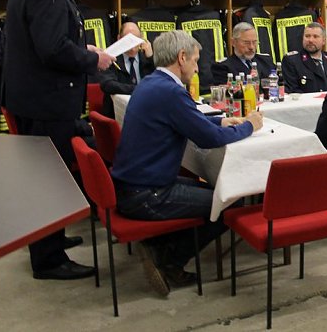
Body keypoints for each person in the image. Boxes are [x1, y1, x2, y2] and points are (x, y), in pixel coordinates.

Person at [111, 31, 263, 296]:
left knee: (215, 188)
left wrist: (221, 121)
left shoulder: (152, 83)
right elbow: (209, 139)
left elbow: (189, 121)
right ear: (181, 58)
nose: (196, 70)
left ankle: (159, 244)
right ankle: (170, 261)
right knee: (227, 200)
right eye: (194, 62)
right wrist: (249, 126)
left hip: (134, 185)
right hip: (148, 193)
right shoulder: (171, 92)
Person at [2, 0, 116, 281]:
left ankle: (51, 240)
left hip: (36, 101)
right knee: (50, 180)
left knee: (49, 178)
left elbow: (50, 43)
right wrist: (91, 59)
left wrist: (87, 52)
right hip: (46, 104)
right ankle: (48, 260)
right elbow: (52, 49)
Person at [97, 22, 155, 117]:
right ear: (119, 38)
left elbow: (161, 83)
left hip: (146, 112)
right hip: (118, 114)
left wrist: (151, 58)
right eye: (128, 39)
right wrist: (138, 89)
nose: (132, 44)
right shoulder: (110, 57)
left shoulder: (147, 59)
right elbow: (107, 84)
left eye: (135, 39)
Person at [281, 22, 327, 93]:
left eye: (315, 36)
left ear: (323, 41)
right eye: (307, 36)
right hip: (307, 103)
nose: (310, 40)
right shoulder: (291, 61)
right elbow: (293, 91)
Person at [211, 22, 276, 85]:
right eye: (246, 43)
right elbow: (227, 91)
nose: (251, 47)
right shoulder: (223, 67)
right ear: (233, 42)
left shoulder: (266, 61)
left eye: (254, 42)